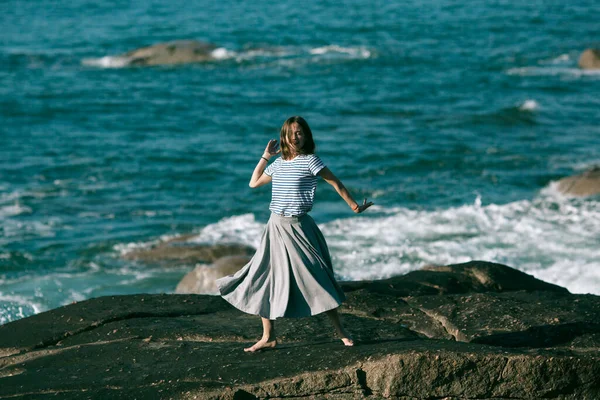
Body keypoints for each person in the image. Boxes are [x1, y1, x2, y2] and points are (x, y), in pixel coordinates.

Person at [215, 116, 373, 352]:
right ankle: (268, 336)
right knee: (264, 277)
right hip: (276, 227)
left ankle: (341, 331)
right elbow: (254, 182)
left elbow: (335, 183)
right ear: (284, 136)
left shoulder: (311, 161)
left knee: (317, 278)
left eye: (299, 133)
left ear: (306, 136)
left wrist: (354, 206)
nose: (295, 137)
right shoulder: (278, 163)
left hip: (300, 228)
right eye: (291, 133)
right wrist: (266, 156)